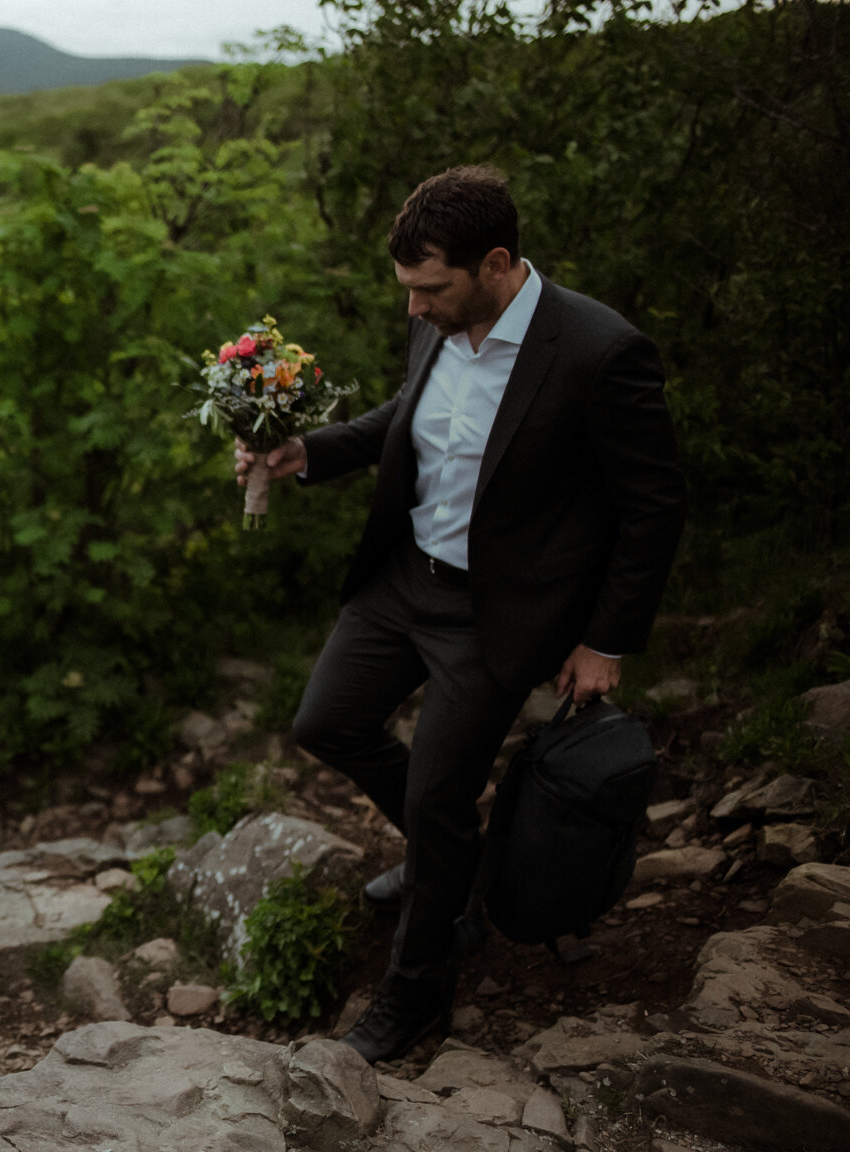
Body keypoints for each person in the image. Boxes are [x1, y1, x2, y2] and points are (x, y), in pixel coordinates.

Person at [233, 165, 686, 1063]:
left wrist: (605, 640)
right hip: (404, 579)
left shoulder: (599, 350)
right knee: (328, 720)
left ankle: (415, 997)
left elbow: (655, 506)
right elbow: (412, 417)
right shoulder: (443, 322)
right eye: (407, 289)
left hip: (497, 612)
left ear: (497, 262)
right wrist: (306, 454)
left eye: (429, 289)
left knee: (440, 797)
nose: (414, 310)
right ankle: (457, 870)